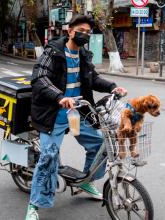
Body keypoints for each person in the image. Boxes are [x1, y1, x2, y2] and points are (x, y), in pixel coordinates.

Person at [26, 15, 127, 220]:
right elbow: (39, 78)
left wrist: (112, 86)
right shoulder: (53, 52)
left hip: (77, 112)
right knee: (48, 157)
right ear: (70, 31)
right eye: (81, 30)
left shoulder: (82, 54)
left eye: (89, 32)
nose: (85, 34)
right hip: (53, 114)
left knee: (100, 145)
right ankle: (34, 204)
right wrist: (59, 97)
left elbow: (92, 78)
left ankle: (85, 181)